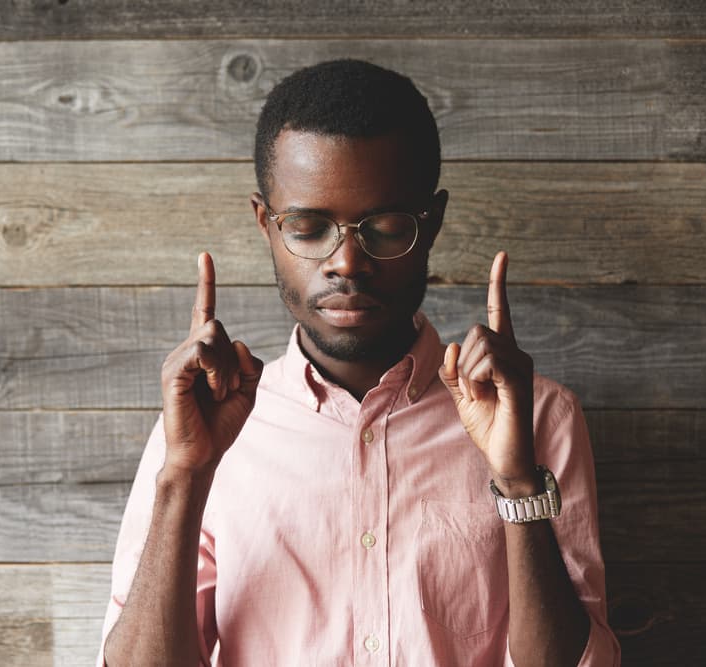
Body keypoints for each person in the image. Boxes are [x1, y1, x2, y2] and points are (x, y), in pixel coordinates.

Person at [98, 59, 620, 666]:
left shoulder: (539, 417)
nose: (347, 261)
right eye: (310, 227)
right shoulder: (198, 430)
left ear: (432, 223)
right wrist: (185, 474)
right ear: (266, 224)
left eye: (386, 225)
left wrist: (517, 480)